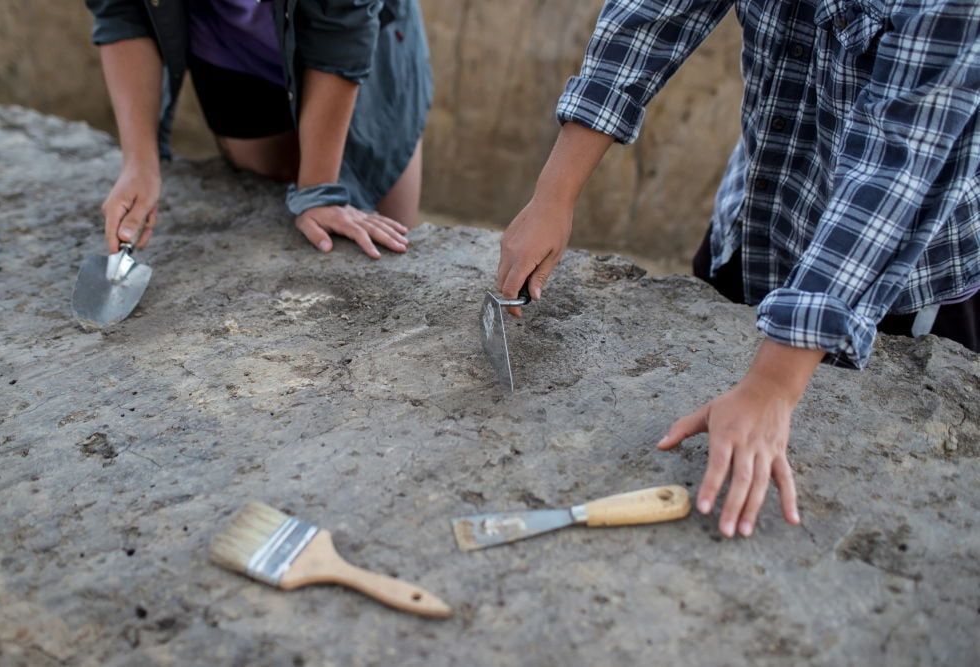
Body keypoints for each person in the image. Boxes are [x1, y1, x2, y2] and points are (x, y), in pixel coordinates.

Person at [496, 0, 979, 538]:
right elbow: (656, 13)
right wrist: (554, 195)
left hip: (900, 287)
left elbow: (900, 161)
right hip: (755, 222)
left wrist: (772, 385)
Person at [84, 0, 431, 259]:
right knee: (270, 203)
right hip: (233, 49)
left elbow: (343, 29)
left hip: (358, 45)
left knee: (382, 231)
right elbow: (123, 10)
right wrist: (139, 163)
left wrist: (318, 188)